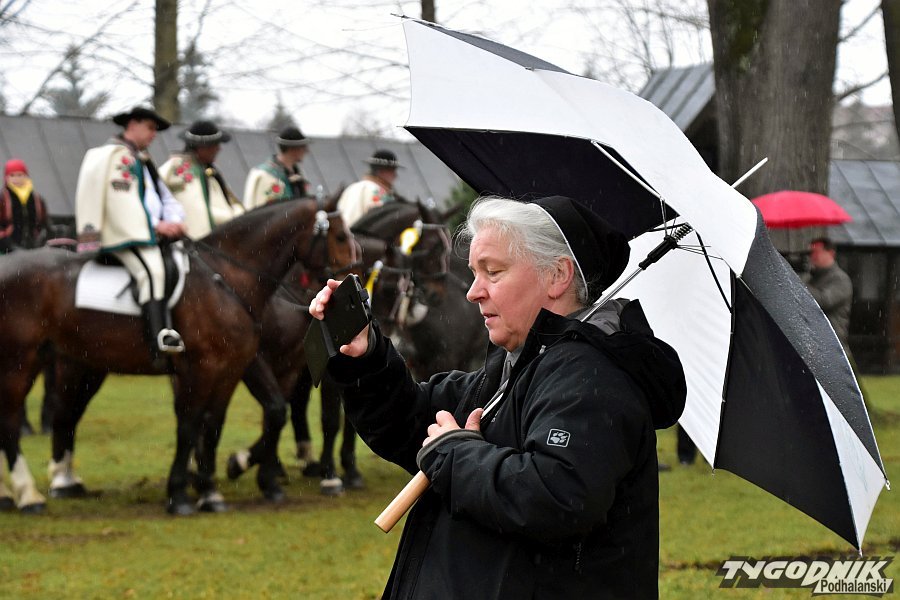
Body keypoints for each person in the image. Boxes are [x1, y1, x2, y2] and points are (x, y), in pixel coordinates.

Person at [310, 195, 686, 599]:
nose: (473, 292)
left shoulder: (593, 380)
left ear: (557, 275)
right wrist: (366, 357)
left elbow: (557, 497)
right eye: (475, 273)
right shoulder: (513, 368)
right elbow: (409, 423)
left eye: (493, 272)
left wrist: (455, 454)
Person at [75, 106, 187, 358]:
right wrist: (156, 226)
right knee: (152, 271)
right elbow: (121, 202)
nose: (154, 134)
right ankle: (157, 337)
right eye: (150, 127)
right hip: (125, 234)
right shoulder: (119, 157)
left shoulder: (142, 159)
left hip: (148, 232)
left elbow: (164, 196)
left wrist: (175, 220)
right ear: (133, 125)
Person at [160, 120, 244, 239]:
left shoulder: (208, 170)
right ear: (201, 148)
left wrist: (238, 213)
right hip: (191, 242)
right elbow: (195, 211)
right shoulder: (178, 169)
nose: (218, 149)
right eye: (215, 145)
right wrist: (234, 216)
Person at [243, 126, 311, 209]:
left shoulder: (298, 173)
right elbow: (260, 210)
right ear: (293, 149)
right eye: (303, 147)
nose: (306, 151)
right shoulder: (265, 175)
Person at [805, 236, 853, 351]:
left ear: (831, 253)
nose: (812, 256)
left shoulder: (840, 279)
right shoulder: (812, 279)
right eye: (810, 253)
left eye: (816, 252)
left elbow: (823, 301)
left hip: (833, 346)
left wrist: (800, 284)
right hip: (814, 343)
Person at [336, 149, 402, 226]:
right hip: (362, 232)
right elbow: (385, 220)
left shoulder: (350, 188)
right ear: (382, 171)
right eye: (392, 171)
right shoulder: (379, 191)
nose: (395, 175)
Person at [1, 158, 50, 254]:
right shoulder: (3, 199)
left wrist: (40, 239)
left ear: (26, 176)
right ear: (6, 178)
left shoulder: (37, 199)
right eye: (12, 175)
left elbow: (44, 224)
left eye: (20, 175)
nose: (16, 179)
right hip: (7, 251)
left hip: (33, 249)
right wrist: (8, 245)